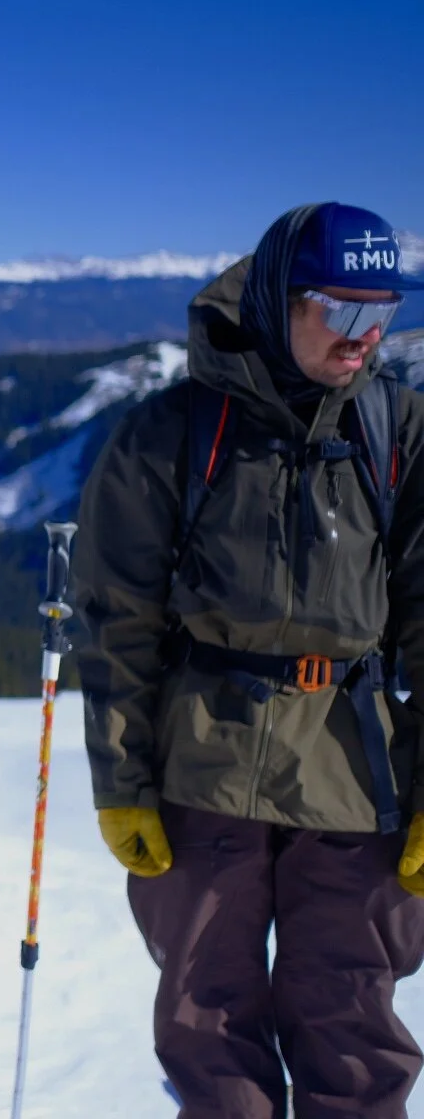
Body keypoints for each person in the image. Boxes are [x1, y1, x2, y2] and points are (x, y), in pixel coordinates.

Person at [74, 201, 424, 1118]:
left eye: (384, 309)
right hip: (203, 767)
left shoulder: (401, 435)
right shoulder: (175, 433)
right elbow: (117, 619)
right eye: (341, 310)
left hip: (357, 774)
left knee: (351, 1027)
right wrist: (121, 780)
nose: (366, 334)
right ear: (278, 299)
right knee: (207, 1025)